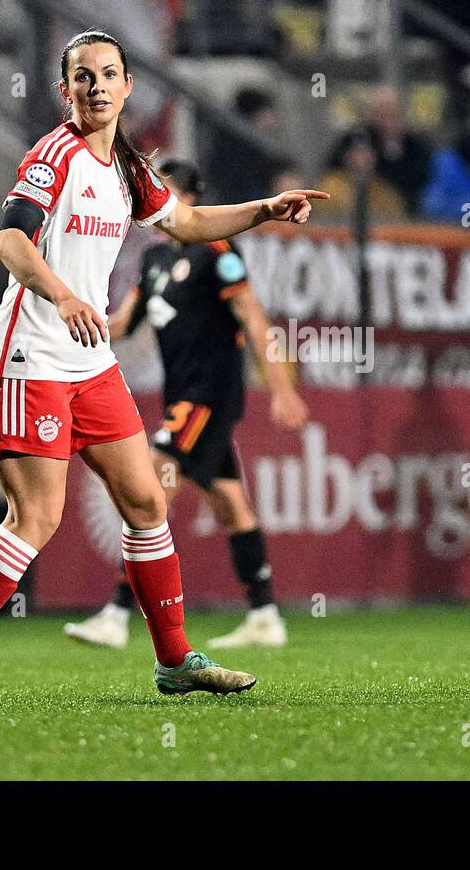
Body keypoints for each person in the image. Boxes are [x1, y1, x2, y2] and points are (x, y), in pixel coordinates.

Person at [0, 30, 327, 701]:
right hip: (29, 356)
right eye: (83, 76)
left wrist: (264, 211)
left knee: (146, 500)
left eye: (109, 74)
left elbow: (186, 223)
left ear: (129, 86)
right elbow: (11, 240)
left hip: (88, 363)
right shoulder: (54, 155)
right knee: (36, 517)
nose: (97, 85)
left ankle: (174, 658)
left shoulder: (127, 167)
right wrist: (65, 293)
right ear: (65, 89)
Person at [64, 159, 308, 651]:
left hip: (209, 396)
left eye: (162, 192)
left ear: (190, 200)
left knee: (151, 485)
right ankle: (264, 614)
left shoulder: (218, 251)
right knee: (229, 503)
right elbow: (122, 324)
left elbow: (255, 322)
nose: (151, 203)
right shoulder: (153, 261)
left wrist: (281, 388)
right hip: (182, 395)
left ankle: (116, 613)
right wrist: (67, 318)